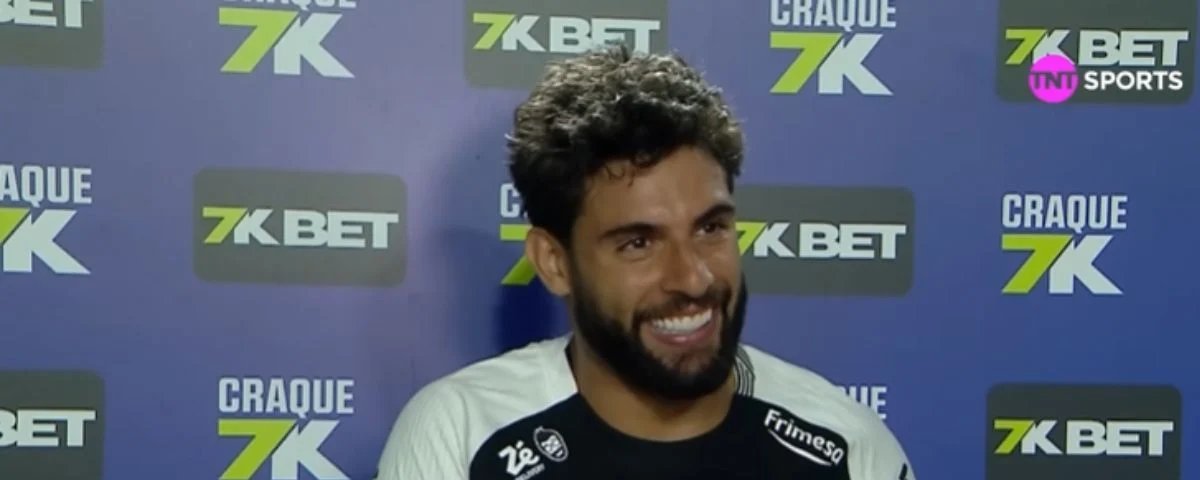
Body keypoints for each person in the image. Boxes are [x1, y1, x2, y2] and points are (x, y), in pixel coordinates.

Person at [374, 44, 916, 480]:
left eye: (710, 228)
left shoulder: (845, 448)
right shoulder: (462, 436)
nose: (693, 278)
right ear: (554, 262)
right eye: (638, 243)